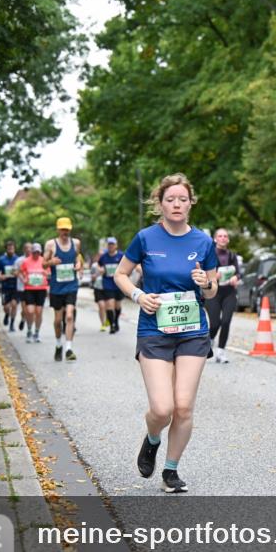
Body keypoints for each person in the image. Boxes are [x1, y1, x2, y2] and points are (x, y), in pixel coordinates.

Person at [113, 173, 219, 494]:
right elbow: (121, 275)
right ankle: (152, 438)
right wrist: (137, 295)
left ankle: (171, 470)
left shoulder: (203, 242)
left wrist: (206, 283)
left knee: (183, 406)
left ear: (190, 204)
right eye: (170, 199)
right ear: (160, 204)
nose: (176, 204)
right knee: (162, 409)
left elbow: (213, 290)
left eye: (182, 199)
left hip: (192, 332)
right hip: (154, 330)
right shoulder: (145, 238)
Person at [44, 218, 83, 361]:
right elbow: (43, 263)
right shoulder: (51, 245)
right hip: (56, 288)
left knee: (69, 316)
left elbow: (78, 257)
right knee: (57, 320)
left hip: (71, 286)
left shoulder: (76, 243)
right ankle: (58, 345)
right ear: (58, 230)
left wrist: (79, 264)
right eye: (62, 229)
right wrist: (50, 262)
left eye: (67, 229)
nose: (65, 232)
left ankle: (68, 348)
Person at [205, 228, 240, 363]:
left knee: (226, 321)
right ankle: (209, 341)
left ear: (228, 239)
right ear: (215, 239)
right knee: (215, 323)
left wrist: (236, 278)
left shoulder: (232, 255)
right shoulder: (210, 255)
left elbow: (238, 272)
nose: (223, 238)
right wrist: (213, 276)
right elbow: (202, 272)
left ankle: (221, 352)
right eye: (220, 236)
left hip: (229, 292)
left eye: (225, 236)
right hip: (213, 292)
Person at [18, 242, 48, 343]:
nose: (36, 254)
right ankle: (29, 330)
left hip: (41, 289)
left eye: (38, 252)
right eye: (35, 252)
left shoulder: (44, 261)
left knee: (39, 312)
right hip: (29, 289)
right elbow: (20, 272)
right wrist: (23, 280)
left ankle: (37, 332)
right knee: (30, 311)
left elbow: (49, 273)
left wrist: (45, 275)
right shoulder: (26, 261)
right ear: (32, 252)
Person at [98, 237, 126, 334]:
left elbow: (127, 266)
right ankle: (112, 324)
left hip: (118, 283)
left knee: (117, 306)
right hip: (107, 283)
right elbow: (99, 265)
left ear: (116, 245)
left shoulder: (121, 256)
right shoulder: (103, 257)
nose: (110, 246)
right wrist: (100, 269)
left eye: (112, 244)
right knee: (110, 304)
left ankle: (116, 321)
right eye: (109, 244)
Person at [0, 240, 20, 332]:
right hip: (5, 286)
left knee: (14, 305)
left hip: (15, 285)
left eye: (12, 248)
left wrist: (17, 273)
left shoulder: (17, 259)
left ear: (14, 249)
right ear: (6, 249)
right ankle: (7, 315)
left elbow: (21, 271)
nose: (11, 250)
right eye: (9, 248)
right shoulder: (1, 260)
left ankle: (12, 324)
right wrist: (1, 276)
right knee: (6, 307)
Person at [92, 253, 108, 331]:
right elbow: (92, 278)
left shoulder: (108, 263)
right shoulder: (94, 266)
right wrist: (98, 273)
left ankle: (109, 319)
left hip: (108, 287)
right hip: (98, 287)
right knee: (101, 306)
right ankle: (103, 324)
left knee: (108, 306)